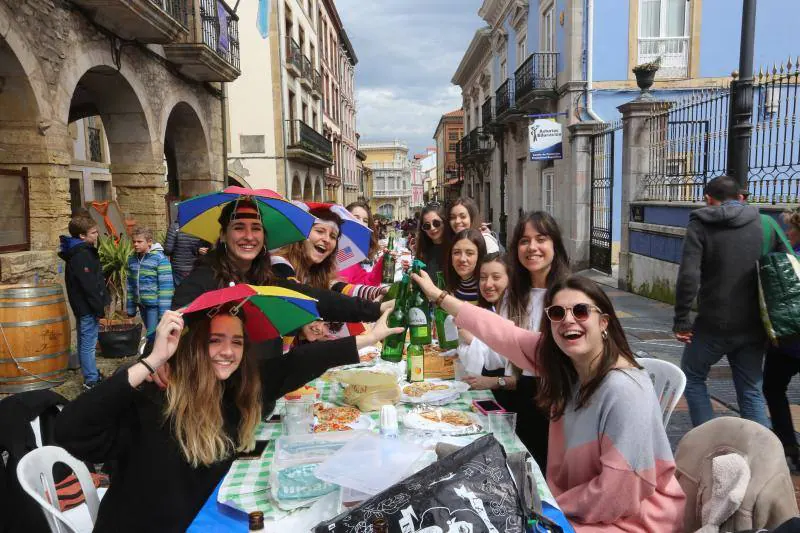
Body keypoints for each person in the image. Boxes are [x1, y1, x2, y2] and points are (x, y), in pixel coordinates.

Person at [55, 299, 401, 532]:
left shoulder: (240, 388)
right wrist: (151, 360)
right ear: (191, 346)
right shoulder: (154, 400)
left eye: (236, 342)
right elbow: (70, 429)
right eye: (215, 340)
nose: (227, 352)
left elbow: (298, 362)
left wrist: (369, 337)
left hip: (212, 514)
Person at [410, 271, 686, 532]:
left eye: (580, 311)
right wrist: (438, 296)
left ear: (604, 322)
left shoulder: (624, 391)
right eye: (557, 313)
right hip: (575, 505)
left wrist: (540, 505)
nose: (568, 320)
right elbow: (502, 332)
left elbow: (618, 495)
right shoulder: (565, 364)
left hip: (630, 521)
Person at [674, 175, 789, 428]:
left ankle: (709, 443)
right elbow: (789, 268)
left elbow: (689, 275)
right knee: (751, 391)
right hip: (754, 325)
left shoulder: (700, 223)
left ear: (708, 199)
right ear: (741, 197)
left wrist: (682, 320)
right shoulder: (766, 223)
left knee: (692, 376)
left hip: (712, 324)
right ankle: (760, 454)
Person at [504, 211, 571, 467]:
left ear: (555, 244)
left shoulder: (569, 293)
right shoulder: (514, 295)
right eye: (524, 240)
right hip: (521, 391)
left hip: (559, 396)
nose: (532, 247)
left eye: (540, 239)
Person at [763, 207, 800, 470]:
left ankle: (788, 444)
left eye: (790, 228)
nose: (787, 233)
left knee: (773, 387)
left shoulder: (788, 261)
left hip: (790, 339)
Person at [459, 253, 517, 411]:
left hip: (518, 407)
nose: (488, 284)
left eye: (496, 277)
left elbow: (527, 379)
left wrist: (493, 382)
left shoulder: (518, 316)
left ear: (511, 279)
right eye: (483, 278)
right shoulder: (489, 309)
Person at [58, 215, 108, 390]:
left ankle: (91, 373)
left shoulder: (83, 251)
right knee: (88, 344)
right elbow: (89, 286)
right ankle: (91, 380)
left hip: (85, 306)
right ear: (82, 236)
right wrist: (98, 308)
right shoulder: (81, 256)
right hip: (87, 307)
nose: (96, 235)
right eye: (93, 232)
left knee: (85, 341)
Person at [126, 226, 173, 343]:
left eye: (139, 241)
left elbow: (166, 288)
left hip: (154, 306)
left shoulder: (160, 259)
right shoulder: (132, 260)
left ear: (149, 242)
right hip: (141, 305)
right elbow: (130, 286)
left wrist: (164, 312)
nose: (136, 244)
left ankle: (155, 358)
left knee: (153, 336)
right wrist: (131, 309)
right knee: (151, 333)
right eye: (134, 242)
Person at [337, 201, 384, 287]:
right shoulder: (335, 246)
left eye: (365, 220)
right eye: (356, 217)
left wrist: (383, 262)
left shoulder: (349, 251)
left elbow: (363, 281)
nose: (361, 223)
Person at [444, 228, 487, 304]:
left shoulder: (487, 289)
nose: (462, 259)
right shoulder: (449, 287)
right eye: (457, 252)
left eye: (469, 253)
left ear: (480, 256)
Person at [164, 219, 210, 287]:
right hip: (195, 267)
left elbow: (168, 250)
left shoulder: (175, 227)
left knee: (180, 291)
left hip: (179, 267)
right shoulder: (200, 227)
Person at [415, 203, 452, 279]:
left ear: (444, 222)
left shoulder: (454, 249)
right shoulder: (423, 250)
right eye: (427, 226)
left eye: (436, 223)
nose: (432, 228)